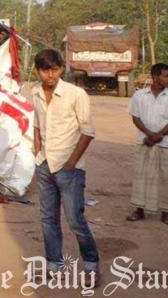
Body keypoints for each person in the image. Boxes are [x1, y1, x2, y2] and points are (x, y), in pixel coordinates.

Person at [31, 49, 100, 282]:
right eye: (44, 70)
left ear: (61, 68)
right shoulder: (36, 93)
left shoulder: (76, 94)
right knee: (48, 219)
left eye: (54, 69)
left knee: (75, 220)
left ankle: (91, 265)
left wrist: (71, 163)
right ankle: (55, 265)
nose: (50, 75)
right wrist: (37, 151)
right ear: (37, 70)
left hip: (69, 168)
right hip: (44, 165)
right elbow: (37, 125)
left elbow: (87, 132)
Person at [126, 63, 168, 226]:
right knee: (141, 175)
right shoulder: (139, 95)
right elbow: (135, 117)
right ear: (155, 77)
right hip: (144, 141)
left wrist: (159, 135)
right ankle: (139, 209)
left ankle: (166, 212)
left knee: (165, 177)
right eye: (166, 76)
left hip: (164, 143)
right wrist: (149, 134)